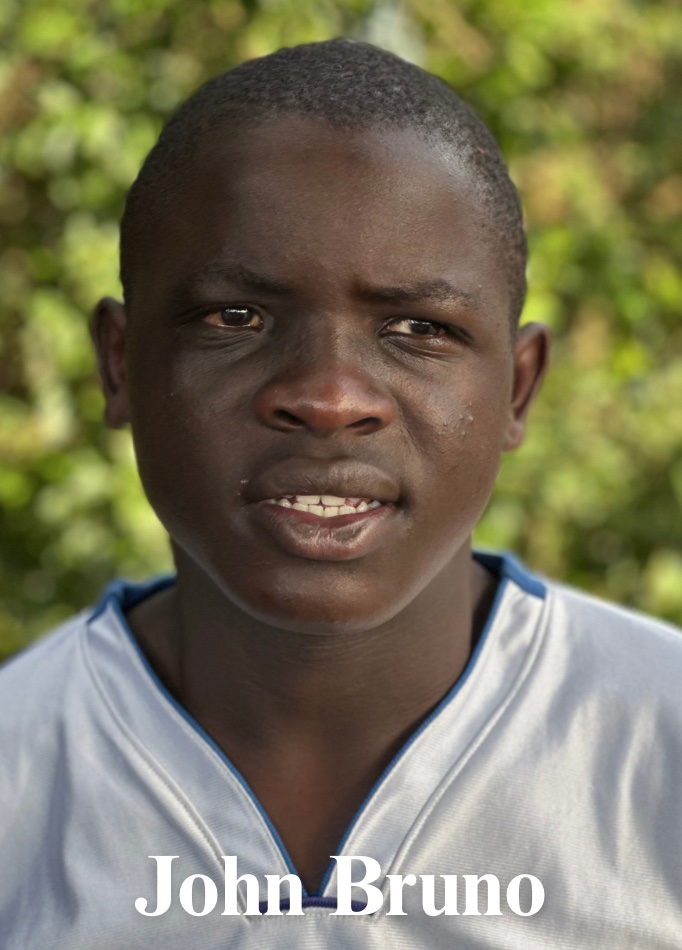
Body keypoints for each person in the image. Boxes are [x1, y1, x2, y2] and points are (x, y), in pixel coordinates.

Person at [1, 37, 680, 950]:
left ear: (517, 389)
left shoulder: (659, 751)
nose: (328, 397)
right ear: (120, 364)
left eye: (418, 328)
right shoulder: (20, 775)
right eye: (236, 318)